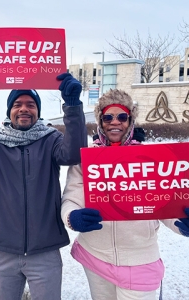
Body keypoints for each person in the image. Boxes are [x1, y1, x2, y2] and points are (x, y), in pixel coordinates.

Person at [0, 73, 87, 300]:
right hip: (5, 249)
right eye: (17, 104)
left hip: (46, 249)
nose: (24, 109)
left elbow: (73, 153)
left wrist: (72, 106)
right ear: (9, 111)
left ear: (38, 112)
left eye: (31, 105)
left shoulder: (51, 140)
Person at [61, 89, 189, 300]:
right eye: (108, 117)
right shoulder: (86, 158)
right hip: (96, 256)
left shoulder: (150, 158)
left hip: (140, 259)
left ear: (130, 120)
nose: (115, 122)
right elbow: (72, 198)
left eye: (122, 117)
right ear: (101, 121)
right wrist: (72, 217)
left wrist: (180, 220)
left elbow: (163, 202)